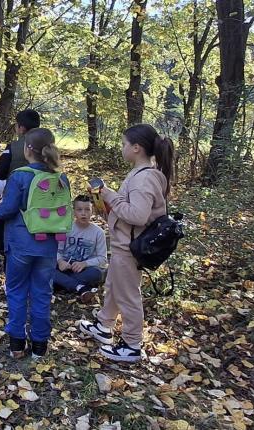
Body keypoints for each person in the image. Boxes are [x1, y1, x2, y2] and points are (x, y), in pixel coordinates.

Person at [79, 124, 174, 363]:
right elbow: (129, 211)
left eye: (123, 144)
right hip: (123, 243)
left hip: (130, 248)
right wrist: (106, 207)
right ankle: (103, 325)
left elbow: (138, 216)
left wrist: (110, 195)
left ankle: (132, 344)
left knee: (128, 295)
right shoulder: (140, 173)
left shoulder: (145, 179)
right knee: (113, 286)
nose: (121, 148)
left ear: (136, 148)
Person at [0, 128, 67, 360]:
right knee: (42, 293)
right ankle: (40, 346)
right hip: (48, 246)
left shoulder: (19, 176)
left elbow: (7, 210)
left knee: (16, 291)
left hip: (20, 244)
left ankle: (17, 344)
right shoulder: (61, 178)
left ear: (28, 150)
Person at [54, 195, 107, 303]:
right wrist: (60, 261)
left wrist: (85, 264)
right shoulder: (66, 228)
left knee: (96, 273)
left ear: (92, 211)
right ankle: (81, 288)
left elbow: (102, 258)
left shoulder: (98, 232)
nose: (83, 213)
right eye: (79, 210)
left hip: (82, 271)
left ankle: (64, 284)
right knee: (46, 269)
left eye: (87, 209)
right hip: (63, 268)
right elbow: (56, 250)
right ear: (74, 211)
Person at [0, 109, 40, 180]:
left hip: (17, 188)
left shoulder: (12, 147)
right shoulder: (48, 145)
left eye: (16, 124)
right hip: (43, 189)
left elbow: (0, 174)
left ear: (21, 128)